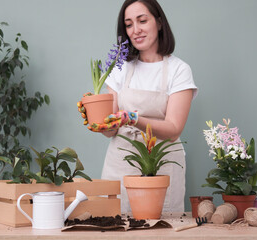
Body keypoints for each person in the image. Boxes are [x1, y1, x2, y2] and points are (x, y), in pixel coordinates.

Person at [80, 0, 197, 213]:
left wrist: (133, 118)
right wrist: (97, 120)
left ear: (159, 22)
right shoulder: (120, 68)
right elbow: (112, 129)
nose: (136, 30)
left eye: (142, 21)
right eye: (129, 24)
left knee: (161, 226)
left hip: (163, 163)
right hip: (120, 161)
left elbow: (173, 129)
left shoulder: (179, 70)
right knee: (115, 224)